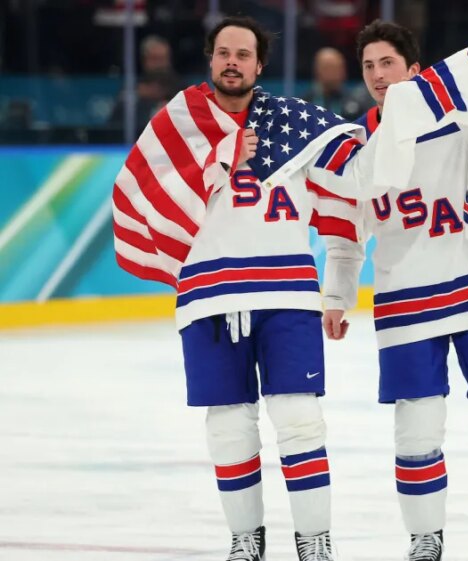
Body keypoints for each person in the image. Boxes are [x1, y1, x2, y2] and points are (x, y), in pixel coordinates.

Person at [111, 15, 368, 561]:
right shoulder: (176, 123)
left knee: (300, 422)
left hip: (287, 294)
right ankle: (246, 544)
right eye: (223, 52)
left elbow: (350, 194)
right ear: (210, 59)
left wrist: (340, 289)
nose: (232, 62)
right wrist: (221, 157)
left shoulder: (297, 126)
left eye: (243, 54)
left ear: (260, 64)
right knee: (229, 428)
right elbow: (137, 192)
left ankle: (314, 544)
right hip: (210, 296)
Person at [321, 20, 468, 561]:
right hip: (406, 301)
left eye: (388, 64)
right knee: (416, 433)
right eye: (369, 66)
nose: (378, 75)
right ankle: (425, 542)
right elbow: (345, 234)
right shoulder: (357, 149)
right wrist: (336, 295)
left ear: (416, 71)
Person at [109, 35, 182, 131]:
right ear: (145, 60)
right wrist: (138, 97)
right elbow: (114, 124)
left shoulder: (180, 87)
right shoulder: (133, 88)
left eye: (164, 59)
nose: (160, 64)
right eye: (155, 59)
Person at [300, 46, 373, 120]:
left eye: (339, 67)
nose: (336, 73)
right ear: (317, 70)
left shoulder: (356, 103)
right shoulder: (305, 104)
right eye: (330, 67)